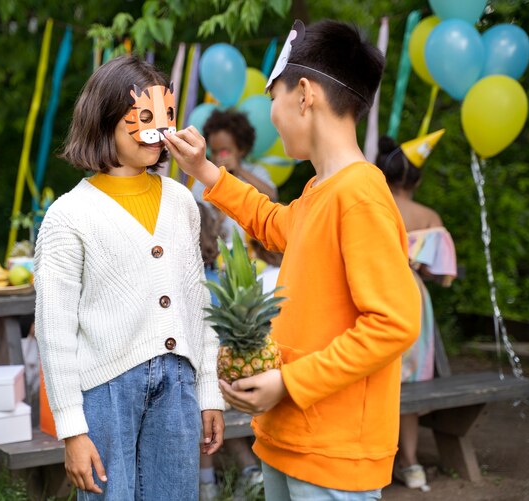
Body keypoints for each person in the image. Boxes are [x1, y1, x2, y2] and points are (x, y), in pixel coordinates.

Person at [165, 19, 421, 501]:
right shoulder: (320, 190)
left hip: (333, 453)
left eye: (271, 98)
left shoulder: (360, 195)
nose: (271, 115)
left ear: (304, 94)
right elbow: (271, 222)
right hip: (290, 440)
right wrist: (203, 170)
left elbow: (394, 323)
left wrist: (288, 382)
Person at [34, 55, 224, 501]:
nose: (159, 131)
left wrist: (209, 391)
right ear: (105, 122)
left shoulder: (181, 202)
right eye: (143, 119)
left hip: (178, 385)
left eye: (167, 117)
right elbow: (54, 329)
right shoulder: (68, 216)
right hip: (105, 392)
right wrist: (72, 430)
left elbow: (199, 301)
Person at [376, 132, 457, 490]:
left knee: (376, 374)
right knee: (412, 381)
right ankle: (410, 463)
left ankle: (376, 460)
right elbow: (440, 273)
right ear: (417, 179)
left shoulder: (374, 205)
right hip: (412, 296)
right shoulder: (428, 216)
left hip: (375, 292)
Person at [196, 202, 264, 501]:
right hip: (232, 372)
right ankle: (249, 472)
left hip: (208, 376)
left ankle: (207, 483)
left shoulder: (194, 282)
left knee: (201, 415)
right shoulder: (221, 277)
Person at [192, 109, 278, 246]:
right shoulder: (202, 180)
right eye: (214, 151)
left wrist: (238, 170)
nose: (219, 157)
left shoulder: (254, 171)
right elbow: (199, 219)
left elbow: (272, 196)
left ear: (241, 149)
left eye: (225, 151)